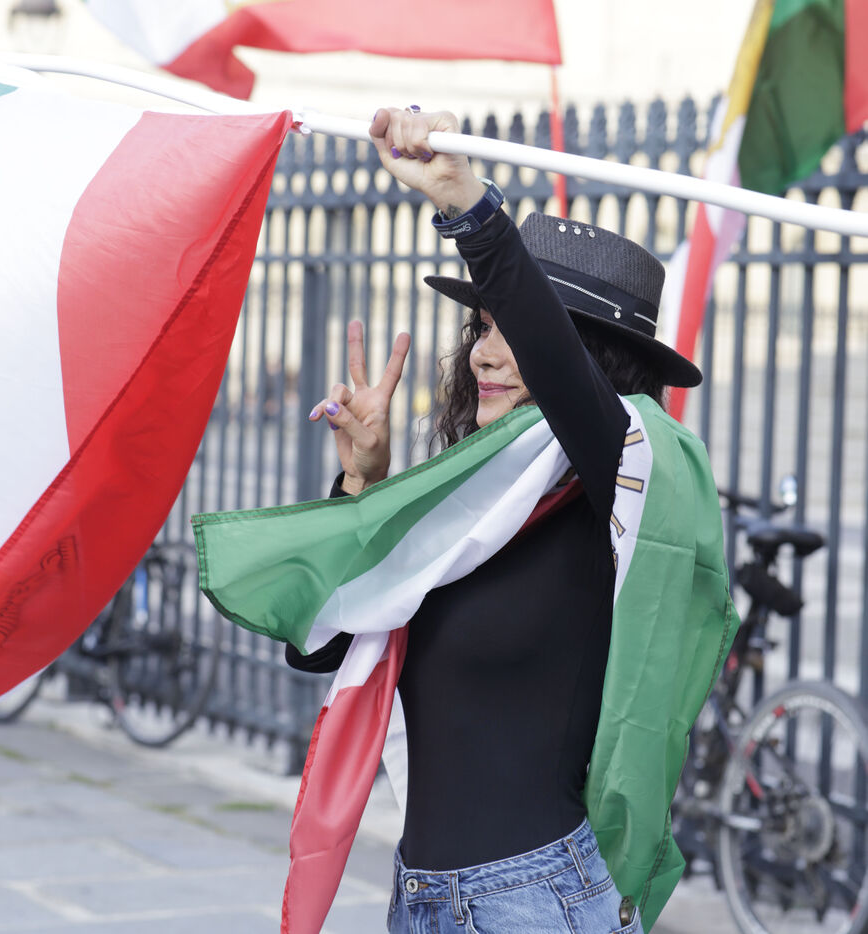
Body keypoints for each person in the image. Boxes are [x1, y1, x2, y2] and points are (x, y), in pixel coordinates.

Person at [284, 106, 733, 932]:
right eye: (481, 327)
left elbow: (566, 383)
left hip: (535, 901)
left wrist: (470, 211)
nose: (484, 353)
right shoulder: (467, 512)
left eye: (512, 329)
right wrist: (361, 485)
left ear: (591, 362)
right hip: (421, 899)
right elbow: (315, 648)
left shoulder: (617, 492)